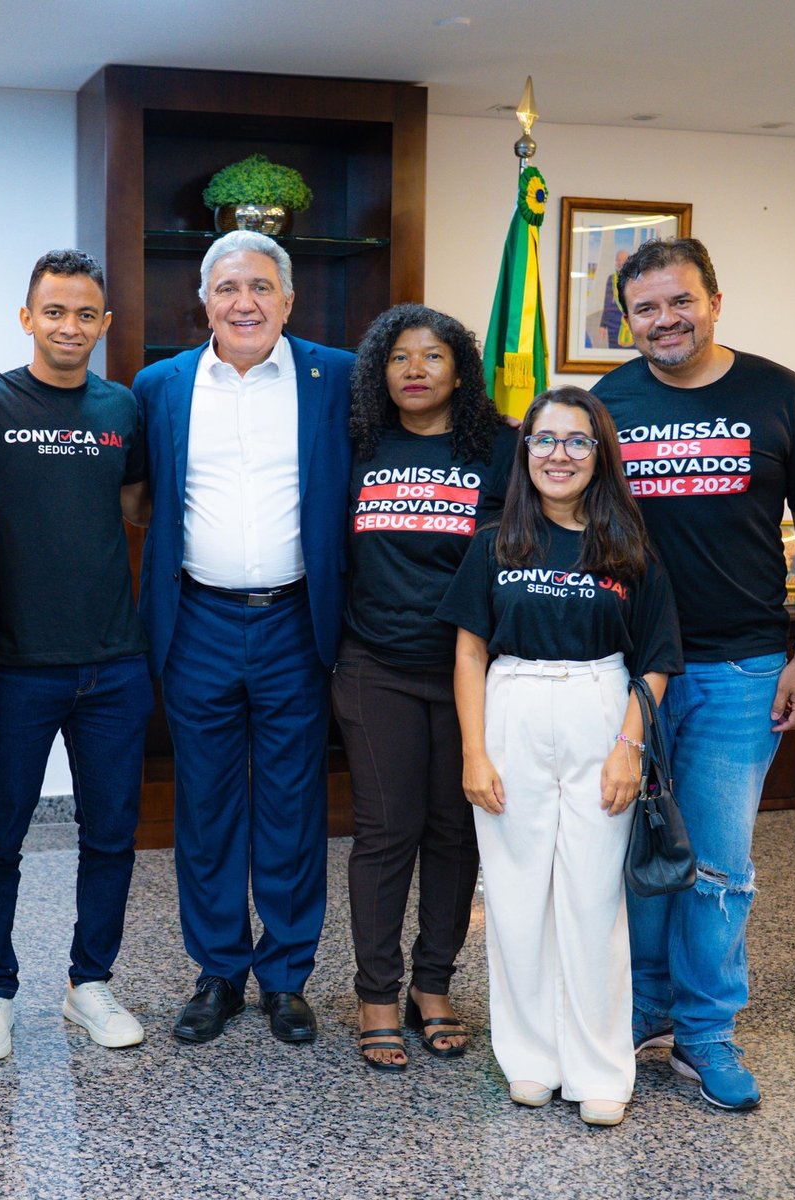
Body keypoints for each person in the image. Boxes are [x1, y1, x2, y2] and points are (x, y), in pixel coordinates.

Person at [595, 237, 795, 1111]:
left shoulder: (780, 395)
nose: (665, 320)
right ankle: (643, 1009)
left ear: (714, 301)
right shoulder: (610, 403)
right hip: (629, 670)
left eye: (681, 301)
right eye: (646, 308)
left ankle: (706, 1031)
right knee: (634, 853)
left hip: (742, 665)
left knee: (716, 863)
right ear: (627, 320)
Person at [439, 386, 682, 1127]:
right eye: (545, 439)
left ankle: (599, 1068)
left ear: (600, 454)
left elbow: (656, 659)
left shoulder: (629, 546)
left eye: (578, 441)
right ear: (525, 452)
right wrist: (474, 753)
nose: (560, 455)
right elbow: (469, 652)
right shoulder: (495, 542)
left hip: (598, 708)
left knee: (591, 900)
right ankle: (531, 1060)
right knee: (515, 898)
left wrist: (628, 748)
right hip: (511, 707)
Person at [133, 230, 353, 1045]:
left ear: (289, 300)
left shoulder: (337, 377)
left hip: (297, 619)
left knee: (293, 804)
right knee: (207, 805)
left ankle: (286, 977)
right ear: (204, 301)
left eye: (261, 286)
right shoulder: (160, 385)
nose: (245, 302)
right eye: (227, 288)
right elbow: (136, 494)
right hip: (198, 621)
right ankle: (219, 971)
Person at [0, 250, 154, 1059]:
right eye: (55, 311)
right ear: (27, 317)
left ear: (104, 324)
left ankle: (88, 983)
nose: (70, 326)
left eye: (85, 314)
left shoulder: (121, 406)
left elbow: (134, 504)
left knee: (111, 832)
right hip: (15, 663)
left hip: (114, 662)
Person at [335, 303, 514, 1071]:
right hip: (375, 665)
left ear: (460, 370)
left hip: (472, 669)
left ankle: (433, 985)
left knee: (454, 830)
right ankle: (376, 994)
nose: (414, 369)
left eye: (433, 355)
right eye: (399, 357)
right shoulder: (357, 444)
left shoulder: (500, 449)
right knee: (386, 830)